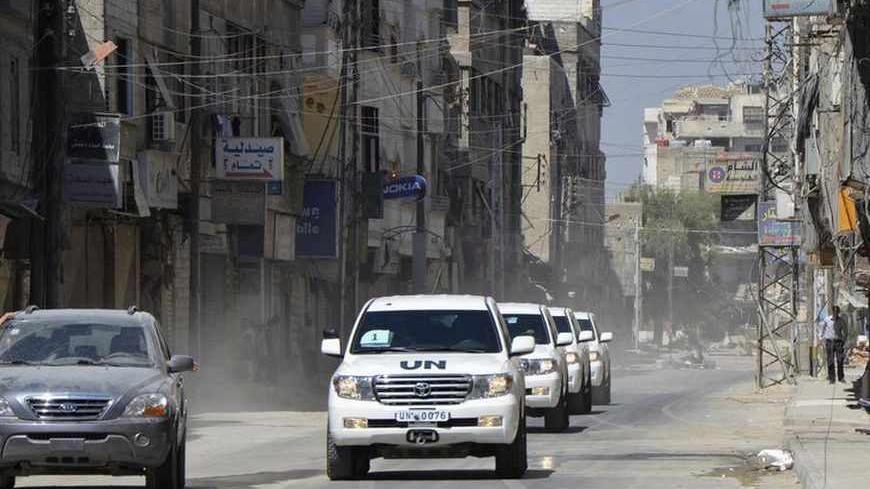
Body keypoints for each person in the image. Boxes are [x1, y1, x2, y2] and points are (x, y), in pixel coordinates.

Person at [819, 305, 849, 384]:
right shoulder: (827, 319)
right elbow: (822, 329)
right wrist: (821, 338)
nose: (835, 313)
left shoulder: (841, 320)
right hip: (829, 341)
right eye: (834, 311)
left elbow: (845, 331)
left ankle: (841, 377)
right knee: (830, 360)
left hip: (838, 342)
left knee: (840, 360)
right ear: (832, 312)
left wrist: (844, 341)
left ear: (838, 312)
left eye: (837, 312)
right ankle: (832, 378)